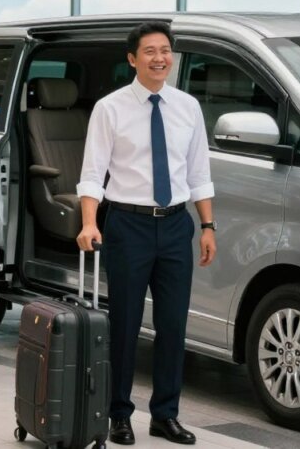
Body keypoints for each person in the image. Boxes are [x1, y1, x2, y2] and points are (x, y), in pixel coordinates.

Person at [76, 22, 217, 446]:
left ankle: (165, 415)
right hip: (128, 224)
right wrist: (89, 222)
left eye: (165, 50)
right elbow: (91, 172)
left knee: (173, 325)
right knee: (125, 323)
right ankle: (119, 413)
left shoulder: (188, 106)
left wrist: (207, 226)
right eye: (150, 51)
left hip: (176, 224)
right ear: (132, 59)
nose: (160, 58)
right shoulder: (110, 108)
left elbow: (198, 173)